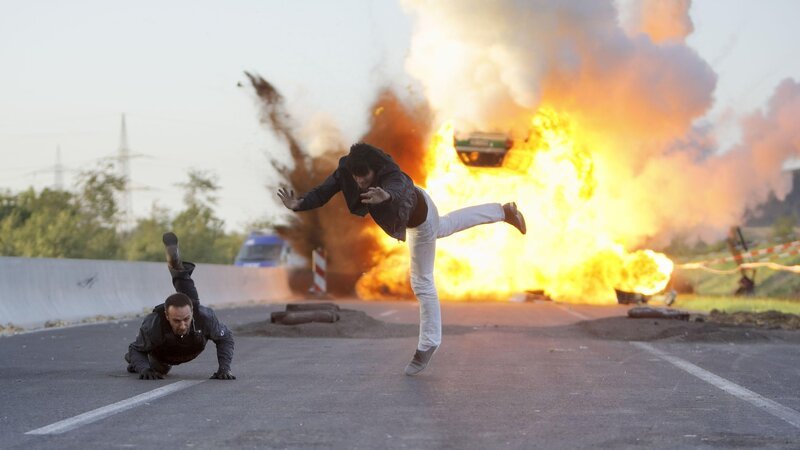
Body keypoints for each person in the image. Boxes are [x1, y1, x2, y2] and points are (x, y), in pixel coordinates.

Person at [277, 142, 526, 376]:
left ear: (375, 170)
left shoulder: (391, 174)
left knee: (422, 281)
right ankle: (503, 211)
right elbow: (324, 191)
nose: (360, 182)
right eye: (356, 177)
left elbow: (400, 187)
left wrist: (385, 196)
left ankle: (428, 344)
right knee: (447, 225)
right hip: (422, 209)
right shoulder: (348, 169)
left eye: (365, 176)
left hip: (420, 221)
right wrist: (299, 203)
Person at [124, 232, 236, 380]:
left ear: (191, 314)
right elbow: (136, 349)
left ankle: (175, 262)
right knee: (158, 369)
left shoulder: (204, 316)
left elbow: (225, 338)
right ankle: (133, 362)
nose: (182, 325)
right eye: (176, 321)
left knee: (190, 297)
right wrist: (144, 368)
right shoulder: (154, 324)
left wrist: (224, 369)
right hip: (164, 355)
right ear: (167, 316)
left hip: (192, 340)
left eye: (186, 319)